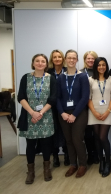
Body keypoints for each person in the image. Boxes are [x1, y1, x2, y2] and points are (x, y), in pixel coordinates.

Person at [17, 54, 56, 184]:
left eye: (43, 61)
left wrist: (40, 113)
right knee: (30, 146)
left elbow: (53, 98)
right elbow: (21, 97)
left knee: (46, 144)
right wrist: (33, 113)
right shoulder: (25, 78)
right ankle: (31, 172)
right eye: (37, 61)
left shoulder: (51, 78)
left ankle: (46, 169)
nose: (40, 63)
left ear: (46, 64)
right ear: (33, 63)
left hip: (46, 116)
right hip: (29, 116)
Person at [57, 49, 90, 178]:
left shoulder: (82, 76)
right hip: (64, 114)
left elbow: (85, 97)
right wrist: (62, 113)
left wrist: (74, 114)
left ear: (77, 60)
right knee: (69, 140)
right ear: (65, 59)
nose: (71, 60)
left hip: (79, 113)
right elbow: (57, 98)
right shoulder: (61, 77)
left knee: (77, 139)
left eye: (74, 58)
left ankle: (82, 165)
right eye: (69, 58)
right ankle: (73, 164)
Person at [88, 57, 111, 177]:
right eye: (99, 65)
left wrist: (107, 111)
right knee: (96, 137)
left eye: (103, 65)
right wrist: (94, 112)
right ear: (95, 67)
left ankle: (108, 162)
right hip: (94, 111)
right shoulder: (90, 80)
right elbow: (88, 97)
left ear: (106, 66)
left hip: (108, 111)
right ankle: (101, 161)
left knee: (103, 137)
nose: (101, 67)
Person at [47, 49, 69, 167]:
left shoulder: (67, 71)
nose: (57, 59)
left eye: (59, 57)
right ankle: (55, 156)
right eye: (54, 57)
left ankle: (66, 155)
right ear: (52, 59)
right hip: (51, 107)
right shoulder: (47, 72)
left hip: (65, 106)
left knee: (65, 131)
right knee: (53, 132)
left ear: (63, 59)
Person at [80, 51, 99, 165]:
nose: (91, 60)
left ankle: (97, 154)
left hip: (97, 107)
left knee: (97, 134)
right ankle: (90, 155)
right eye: (88, 58)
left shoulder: (100, 71)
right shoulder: (81, 73)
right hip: (84, 108)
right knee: (87, 134)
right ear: (85, 59)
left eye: (93, 58)